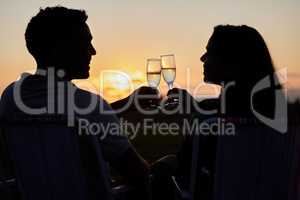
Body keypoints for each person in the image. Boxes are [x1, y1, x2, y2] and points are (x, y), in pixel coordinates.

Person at [0, 6, 151, 200]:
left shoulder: (11, 98)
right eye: (85, 43)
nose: (93, 51)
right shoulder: (91, 107)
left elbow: (61, 113)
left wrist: (126, 103)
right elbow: (137, 172)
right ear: (60, 47)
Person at [152, 25, 286, 200]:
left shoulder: (213, 125)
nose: (202, 58)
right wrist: (197, 107)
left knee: (155, 174)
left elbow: (185, 164)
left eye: (210, 52)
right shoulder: (277, 116)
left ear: (232, 60)